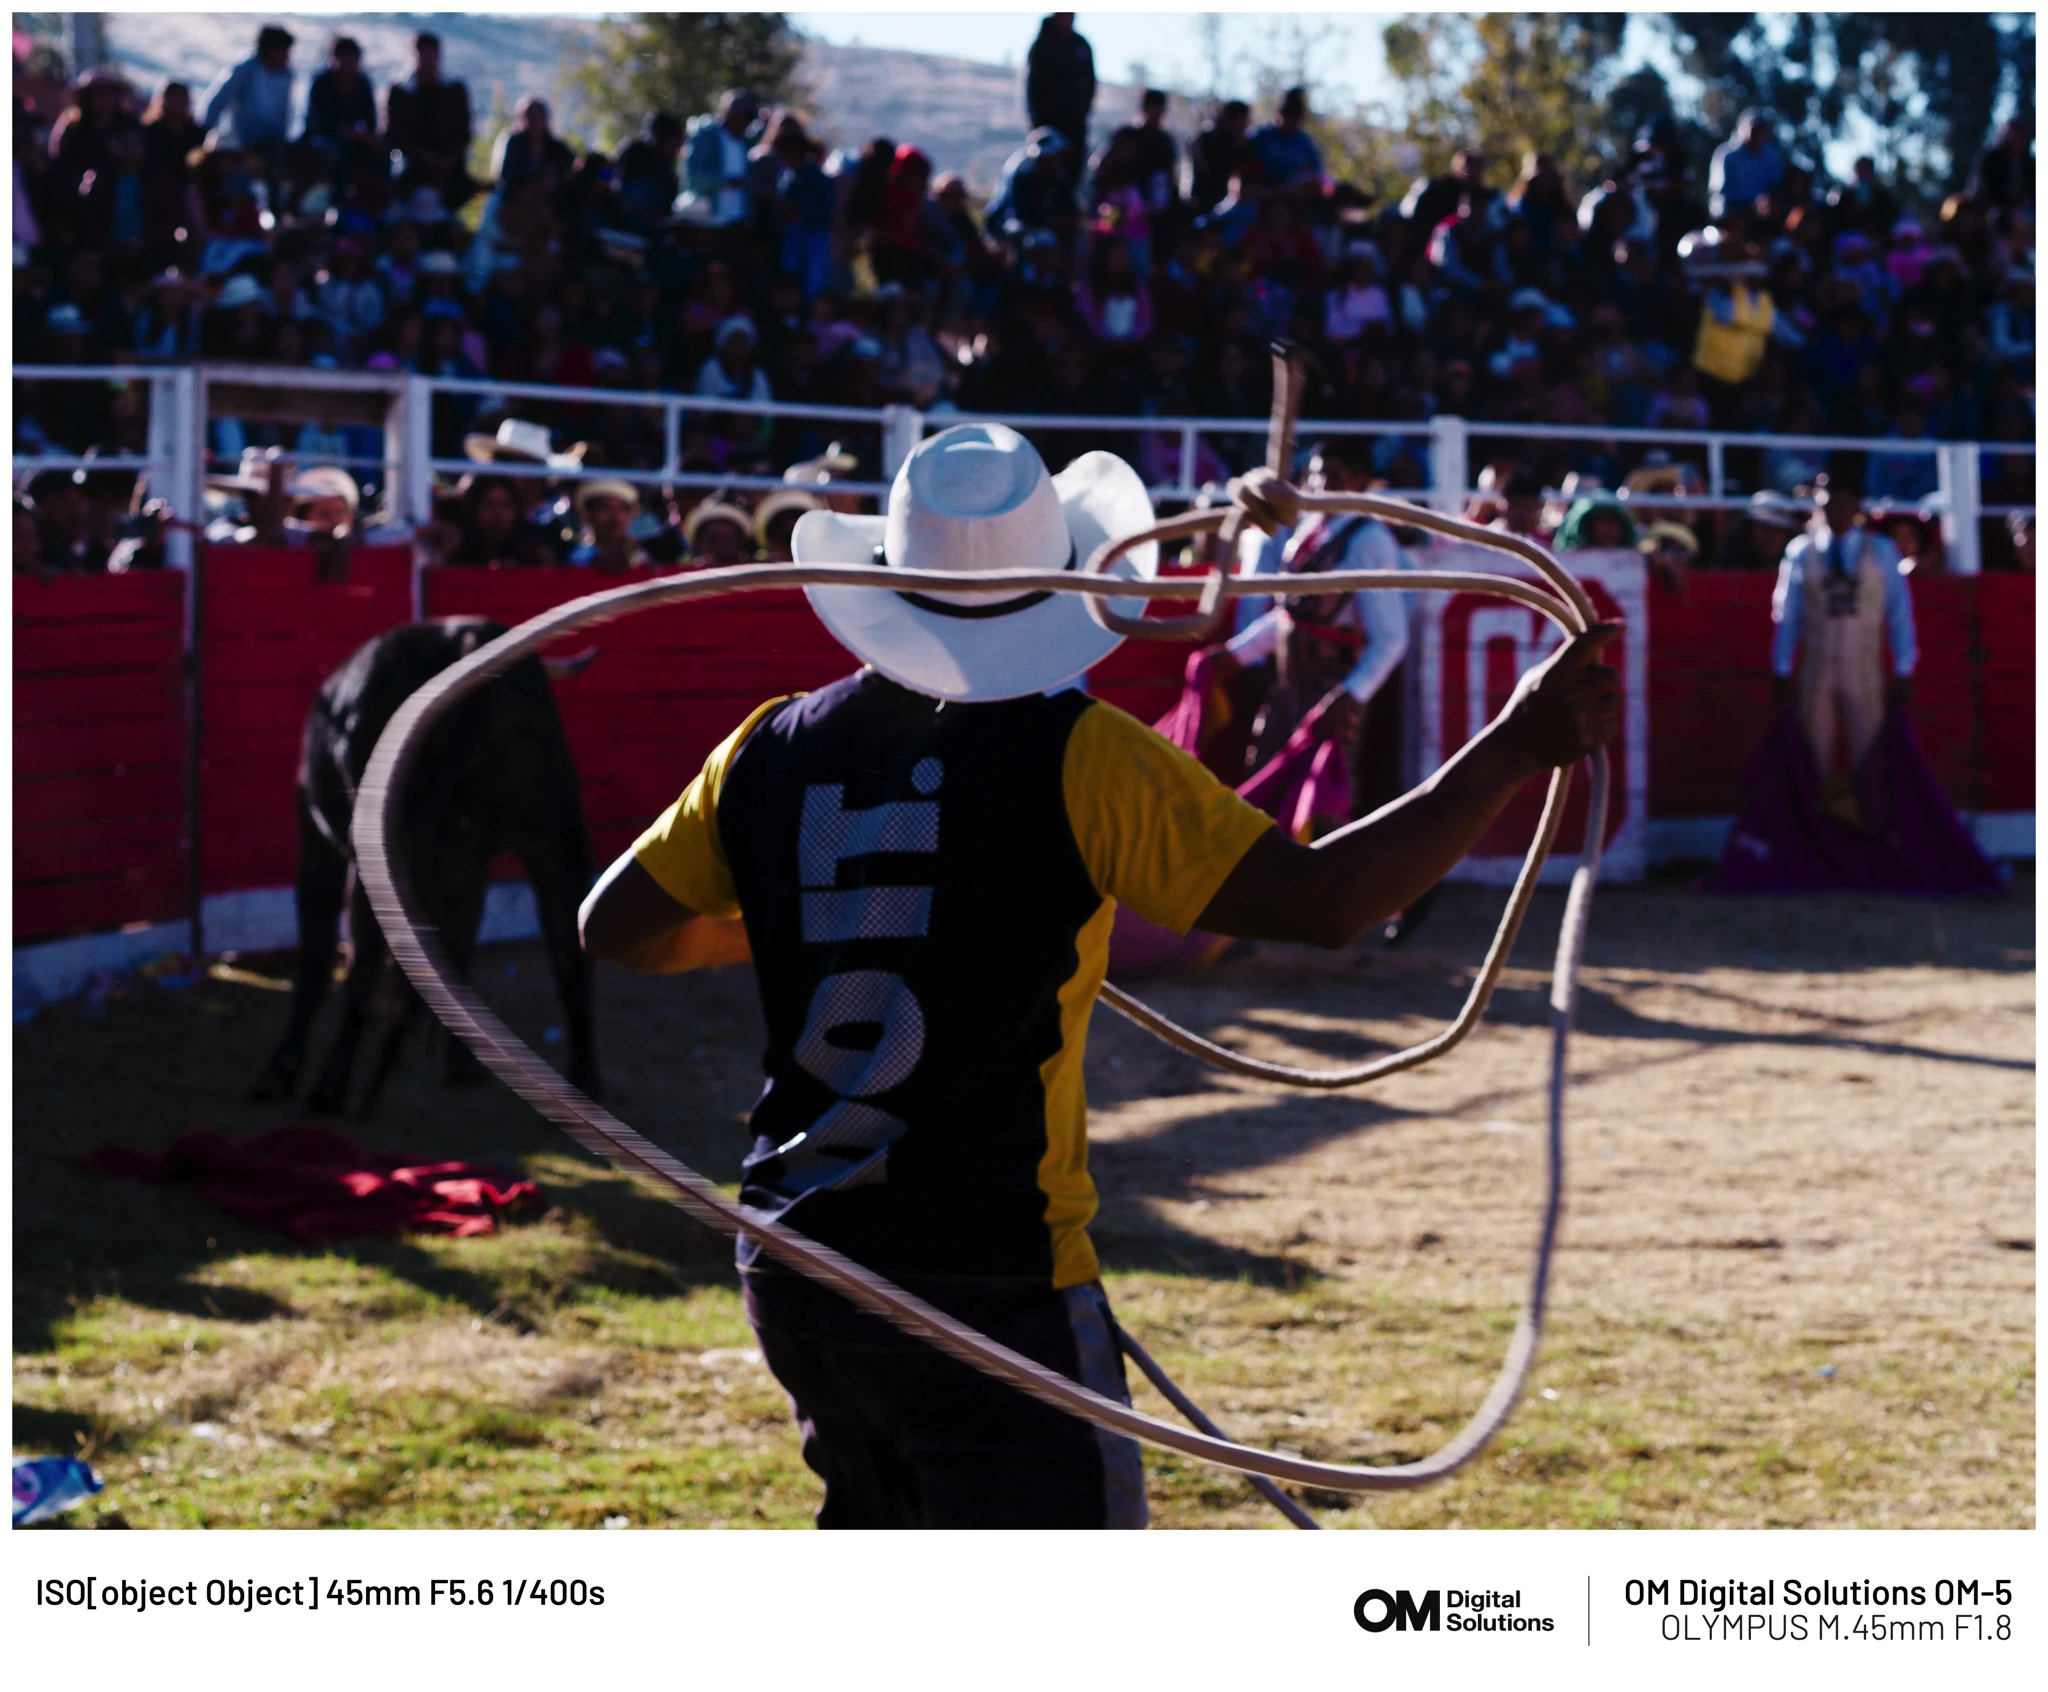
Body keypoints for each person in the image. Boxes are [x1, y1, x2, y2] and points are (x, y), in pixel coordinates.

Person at [576, 420, 1622, 1529]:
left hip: (798, 1259)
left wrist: (842, 923)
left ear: (882, 572)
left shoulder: (767, 746)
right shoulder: (1079, 756)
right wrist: (1512, 745)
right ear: (1059, 579)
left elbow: (619, 925)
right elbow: (1325, 901)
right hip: (988, 1271)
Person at [1211, 435, 1414, 830]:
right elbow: (1291, 616)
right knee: (1266, 782)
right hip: (1291, 686)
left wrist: (1350, 695)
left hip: (1330, 687)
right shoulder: (1310, 530)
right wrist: (1238, 654)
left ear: (1360, 481)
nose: (1320, 486)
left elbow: (1391, 637)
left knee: (1322, 805)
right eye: (1316, 476)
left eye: (1333, 477)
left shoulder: (1368, 540)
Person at [1771, 459, 1917, 815]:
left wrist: (1904, 666)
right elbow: (1787, 617)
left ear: (1855, 506)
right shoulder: (1801, 551)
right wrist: (1781, 668)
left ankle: (1872, 830)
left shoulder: (1882, 551)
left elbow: (1899, 614)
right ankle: (1817, 837)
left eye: (1841, 501)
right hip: (1816, 669)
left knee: (1869, 752)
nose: (1834, 510)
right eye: (1827, 501)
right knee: (1812, 756)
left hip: (1863, 668)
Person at [200, 25, 294, 202]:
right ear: (269, 50)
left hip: (274, 139)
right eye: (284, 51)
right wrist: (203, 131)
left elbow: (284, 112)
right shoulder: (246, 69)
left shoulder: (286, 74)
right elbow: (219, 100)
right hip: (243, 138)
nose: (287, 57)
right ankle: (273, 207)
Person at [386, 31, 475, 209]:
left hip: (448, 161)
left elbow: (464, 130)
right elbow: (394, 134)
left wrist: (449, 158)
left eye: (431, 53)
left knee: (462, 186)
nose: (427, 59)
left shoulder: (455, 90)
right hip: (410, 161)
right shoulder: (399, 91)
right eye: (422, 53)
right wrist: (420, 155)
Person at [683, 89, 760, 230]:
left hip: (738, 220)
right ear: (730, 113)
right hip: (707, 221)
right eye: (745, 118)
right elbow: (693, 175)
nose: (747, 124)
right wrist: (726, 182)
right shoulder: (706, 136)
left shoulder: (744, 141)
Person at [1024, 14, 1095, 159]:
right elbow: (1033, 87)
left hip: (1075, 124)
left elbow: (1090, 83)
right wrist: (1038, 123)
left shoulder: (1080, 45)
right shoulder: (1042, 45)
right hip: (1047, 122)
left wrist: (1082, 111)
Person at [1708, 110, 1785, 221]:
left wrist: (1767, 200)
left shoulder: (1771, 155)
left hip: (1762, 211)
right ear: (1741, 130)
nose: (1757, 135)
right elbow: (1721, 193)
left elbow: (1776, 185)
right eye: (1754, 130)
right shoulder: (1726, 154)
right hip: (1732, 211)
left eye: (1761, 131)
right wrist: (1751, 205)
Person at [568, 478, 646, 572]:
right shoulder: (576, 561)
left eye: (621, 509)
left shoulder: (645, 558)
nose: (615, 518)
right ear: (587, 515)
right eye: (605, 509)